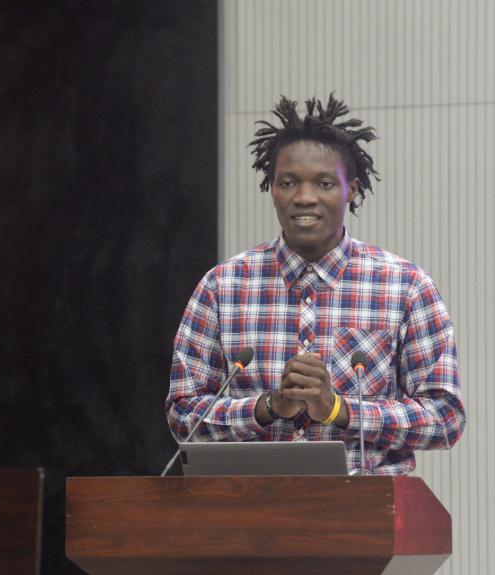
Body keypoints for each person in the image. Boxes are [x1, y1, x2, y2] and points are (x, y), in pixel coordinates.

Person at [166, 94, 465, 477]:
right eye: (288, 182)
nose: (305, 197)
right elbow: (182, 416)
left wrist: (339, 409)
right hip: (250, 506)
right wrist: (268, 407)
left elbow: (444, 418)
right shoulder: (222, 288)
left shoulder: (405, 287)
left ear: (351, 189)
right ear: (272, 189)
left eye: (324, 183)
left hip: (364, 507)